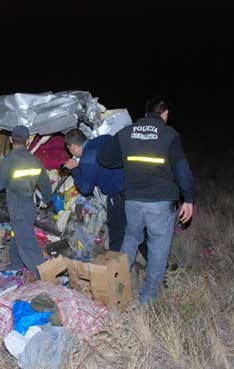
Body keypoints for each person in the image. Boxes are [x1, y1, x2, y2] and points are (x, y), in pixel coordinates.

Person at [97, 96, 194, 305]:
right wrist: (189, 198)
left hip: (132, 201)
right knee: (158, 249)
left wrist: (124, 161)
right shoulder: (169, 134)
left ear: (145, 112)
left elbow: (103, 158)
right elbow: (182, 169)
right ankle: (147, 299)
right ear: (165, 113)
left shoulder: (127, 132)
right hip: (160, 203)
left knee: (130, 241)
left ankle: (116, 288)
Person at [0, 125, 52, 279]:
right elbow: (46, 185)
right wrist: (46, 200)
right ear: (28, 141)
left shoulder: (9, 162)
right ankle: (16, 267)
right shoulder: (35, 160)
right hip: (30, 207)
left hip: (17, 208)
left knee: (27, 243)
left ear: (10, 140)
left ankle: (44, 275)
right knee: (19, 235)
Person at [63, 129, 127, 251]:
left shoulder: (87, 159)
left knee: (117, 233)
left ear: (73, 147)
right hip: (131, 186)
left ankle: (115, 265)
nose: (72, 154)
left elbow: (86, 189)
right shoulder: (105, 138)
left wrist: (75, 169)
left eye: (70, 150)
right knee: (135, 229)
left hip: (117, 194)